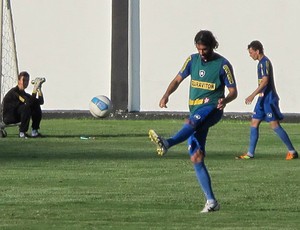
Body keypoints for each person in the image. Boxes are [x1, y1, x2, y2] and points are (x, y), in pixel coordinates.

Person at [148, 30, 238, 213]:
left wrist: (225, 100)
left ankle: (167, 143)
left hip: (212, 109)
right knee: (196, 157)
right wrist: (166, 95)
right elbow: (177, 80)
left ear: (212, 46)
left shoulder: (223, 65)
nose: (201, 52)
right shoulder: (192, 60)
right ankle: (212, 202)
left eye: (204, 49)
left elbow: (233, 91)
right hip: (195, 108)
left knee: (191, 122)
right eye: (198, 49)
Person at [236, 41, 298, 160]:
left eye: (251, 52)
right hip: (262, 98)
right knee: (254, 123)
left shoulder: (264, 63)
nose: (250, 55)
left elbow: (265, 81)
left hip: (268, 99)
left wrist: (252, 95)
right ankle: (250, 154)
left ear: (257, 51)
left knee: (274, 125)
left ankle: (292, 151)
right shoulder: (260, 63)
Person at [2, 71, 45, 138]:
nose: (25, 82)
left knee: (36, 105)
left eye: (27, 80)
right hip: (9, 117)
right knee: (26, 107)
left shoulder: (24, 93)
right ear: (19, 81)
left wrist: (38, 89)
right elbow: (28, 103)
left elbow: (40, 101)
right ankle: (22, 132)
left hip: (18, 115)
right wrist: (34, 89)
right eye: (23, 80)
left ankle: (34, 131)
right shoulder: (14, 92)